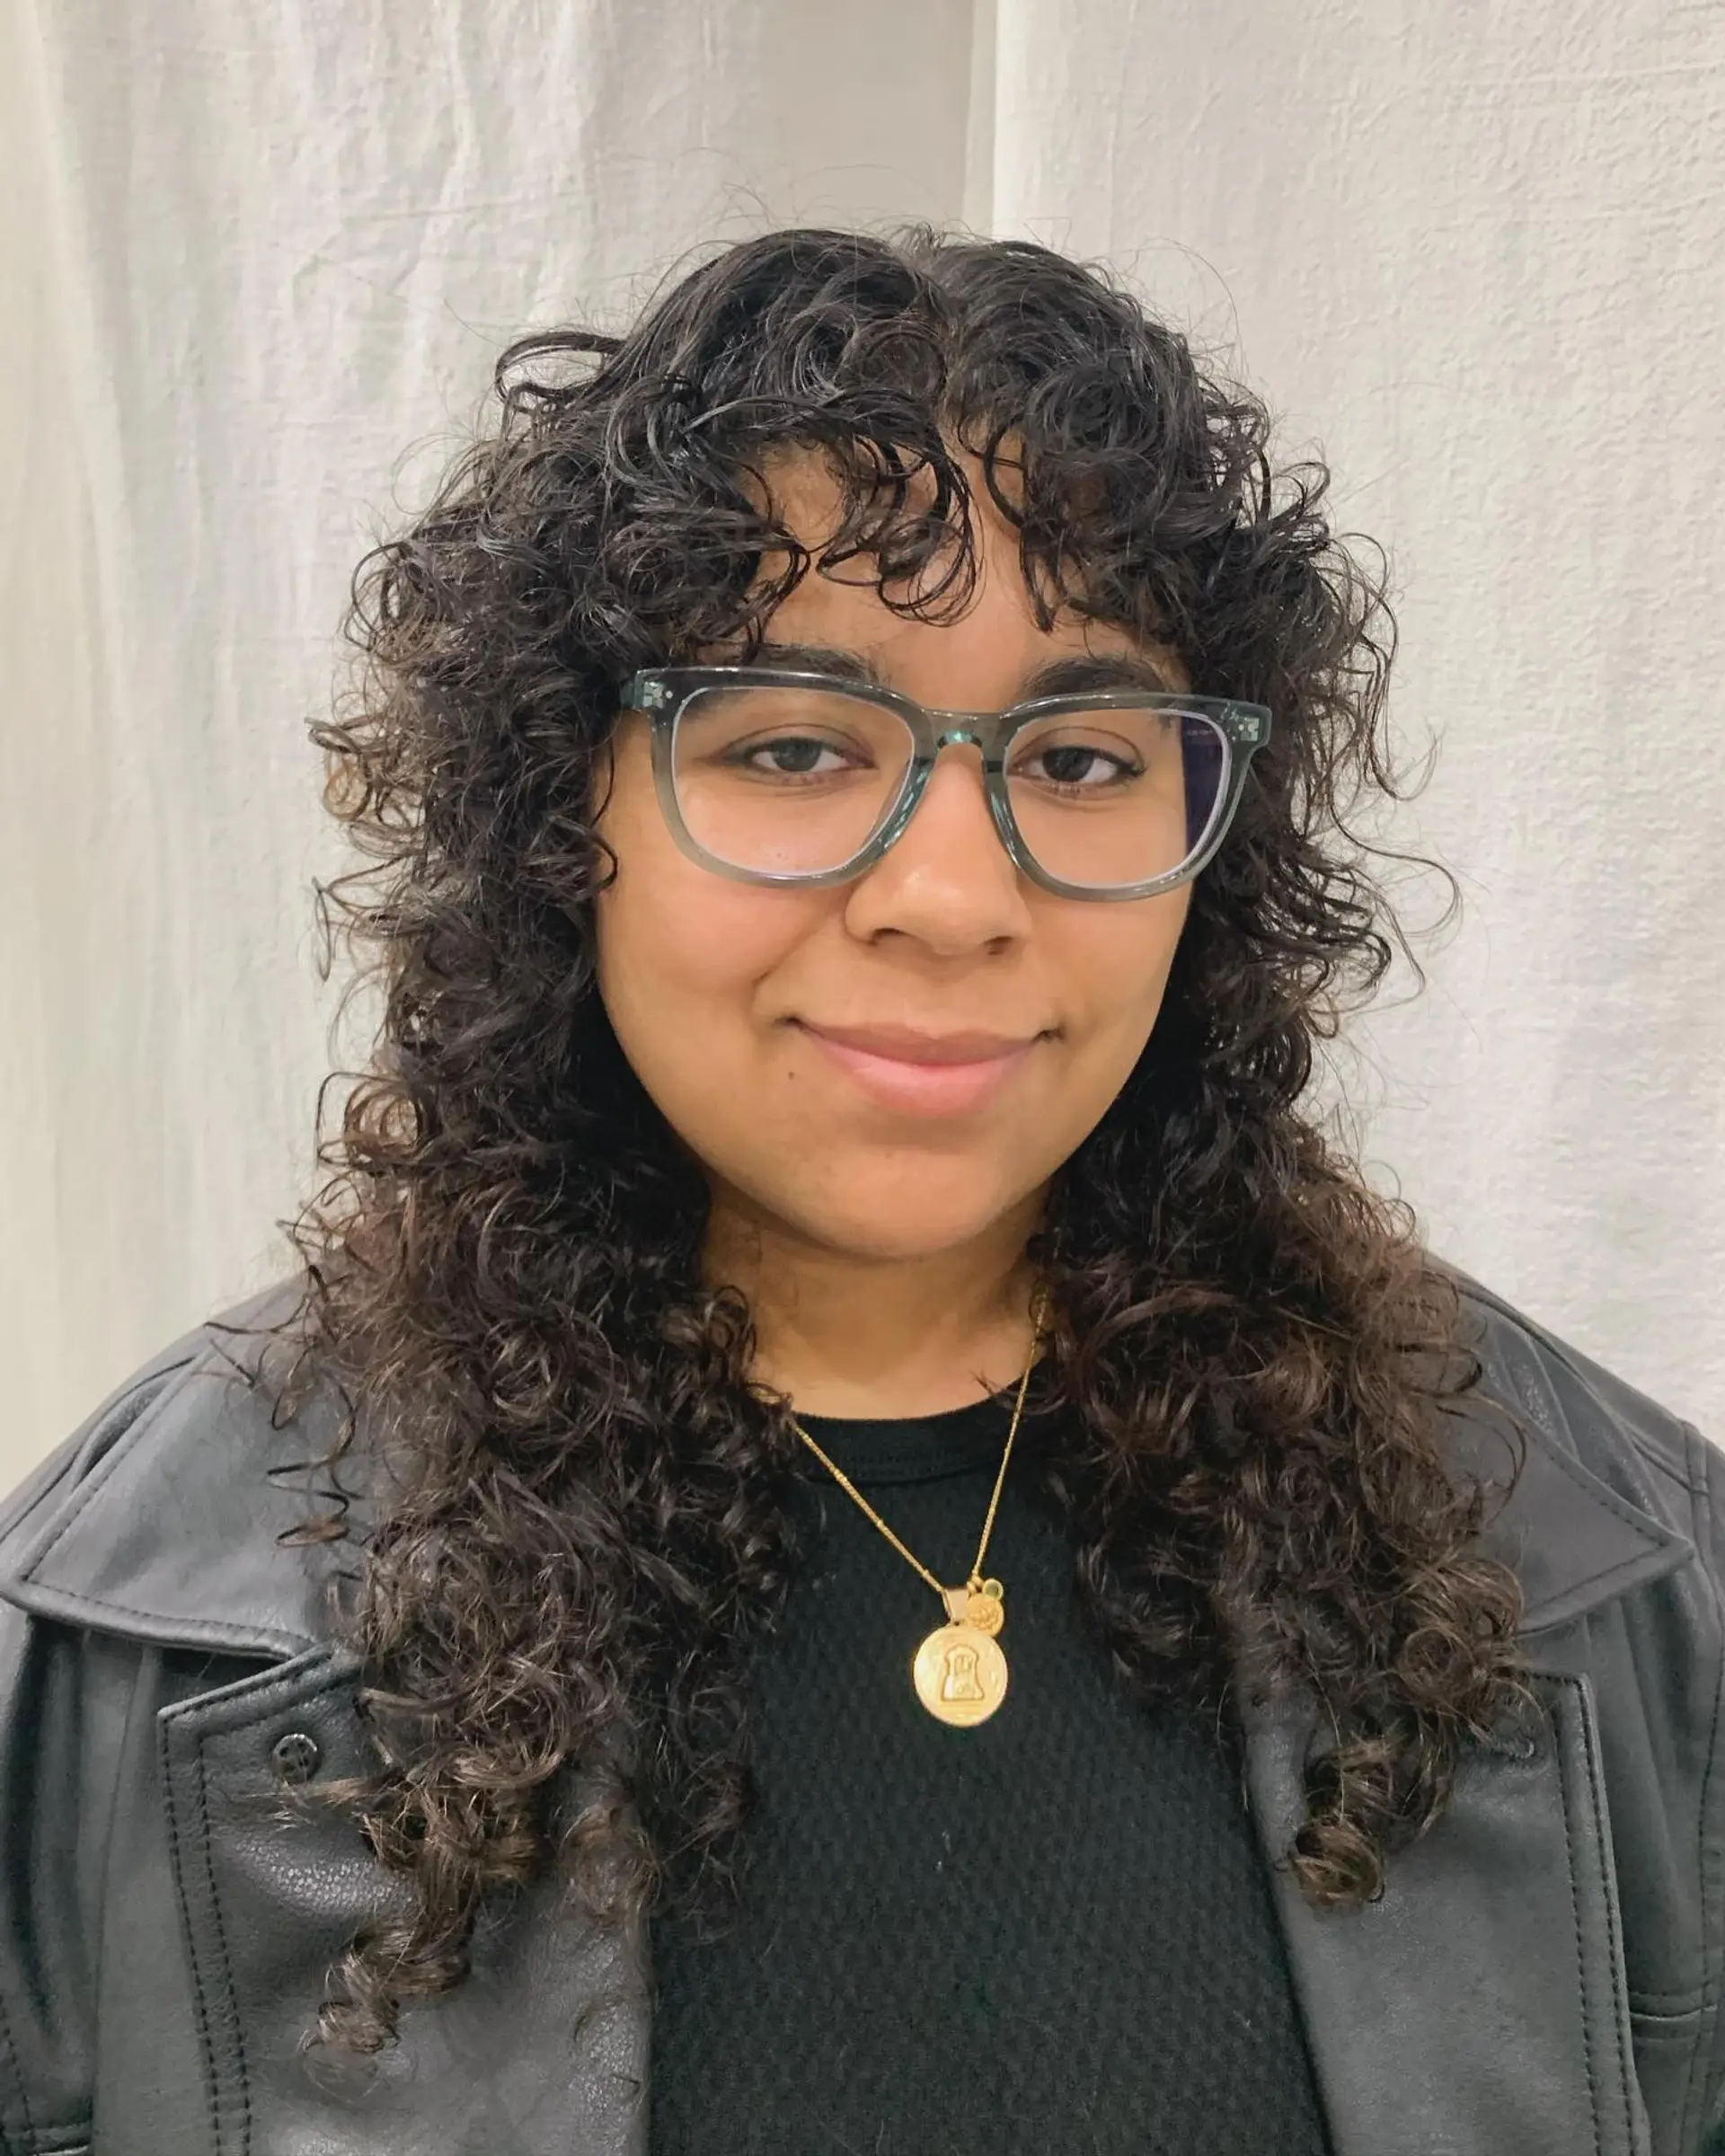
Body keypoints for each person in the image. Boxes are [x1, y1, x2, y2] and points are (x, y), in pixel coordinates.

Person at [0, 225, 1717, 2156]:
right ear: (570, 818)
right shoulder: (125, 1647)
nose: (957, 895)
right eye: (799, 745)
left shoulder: (1602, 1567)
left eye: (1076, 756)